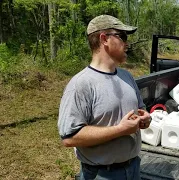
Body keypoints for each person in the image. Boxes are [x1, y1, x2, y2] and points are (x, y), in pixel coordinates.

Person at [57, 14, 151, 180]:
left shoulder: (127, 76)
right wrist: (120, 130)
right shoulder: (81, 84)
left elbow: (140, 109)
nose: (126, 43)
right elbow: (69, 137)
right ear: (104, 39)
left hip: (134, 168)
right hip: (101, 174)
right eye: (122, 36)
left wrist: (145, 118)